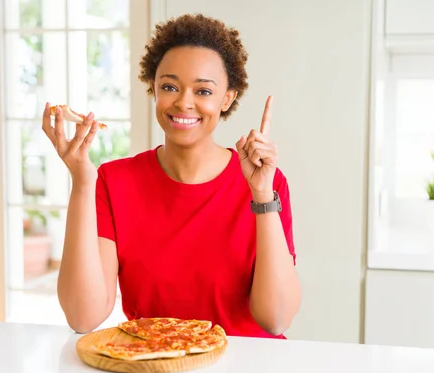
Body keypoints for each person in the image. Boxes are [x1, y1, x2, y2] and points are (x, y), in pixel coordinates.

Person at [41, 13, 301, 339]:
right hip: (154, 370)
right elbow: (83, 316)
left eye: (203, 91)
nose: (183, 102)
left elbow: (276, 320)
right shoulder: (112, 181)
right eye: (169, 86)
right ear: (154, 89)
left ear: (227, 98)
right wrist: (81, 183)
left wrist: (262, 197)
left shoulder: (268, 184)